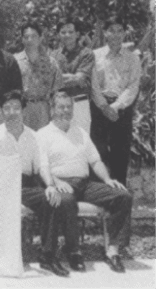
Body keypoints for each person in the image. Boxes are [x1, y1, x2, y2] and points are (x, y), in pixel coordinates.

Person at [0, 90, 76, 276]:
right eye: (7, 108)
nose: (12, 112)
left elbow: (42, 165)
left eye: (16, 108)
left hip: (25, 185)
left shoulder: (34, 136)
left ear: (23, 110)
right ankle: (0, 255)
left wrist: (50, 185)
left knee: (51, 200)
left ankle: (48, 256)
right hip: (2, 184)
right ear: (1, 111)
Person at [37, 91, 133, 273]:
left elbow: (95, 161)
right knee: (66, 201)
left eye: (69, 107)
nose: (65, 111)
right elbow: (43, 166)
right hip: (62, 183)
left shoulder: (80, 132)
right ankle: (73, 251)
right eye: (61, 107)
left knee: (123, 196)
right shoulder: (43, 134)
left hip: (85, 184)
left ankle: (112, 249)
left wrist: (107, 179)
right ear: (52, 110)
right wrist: (55, 181)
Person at [90, 17, 141, 186]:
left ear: (125, 33)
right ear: (105, 33)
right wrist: (104, 106)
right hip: (99, 108)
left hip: (122, 110)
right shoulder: (95, 56)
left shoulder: (133, 58)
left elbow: (133, 86)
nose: (116, 34)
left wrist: (116, 106)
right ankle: (99, 196)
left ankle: (120, 197)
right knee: (98, 152)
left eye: (120, 30)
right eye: (112, 30)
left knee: (120, 153)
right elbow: (93, 85)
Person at [50, 18, 96, 133]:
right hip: (60, 104)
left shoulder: (86, 53)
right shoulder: (54, 55)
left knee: (81, 142)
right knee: (61, 141)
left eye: (70, 32)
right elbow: (49, 79)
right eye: (63, 32)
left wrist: (59, 78)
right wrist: (73, 77)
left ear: (77, 34)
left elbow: (79, 78)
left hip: (80, 104)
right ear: (58, 35)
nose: (67, 35)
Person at [14, 23, 63, 130]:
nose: (30, 40)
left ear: (40, 38)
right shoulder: (14, 62)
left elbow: (57, 91)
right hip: (22, 108)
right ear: (22, 39)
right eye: (26, 37)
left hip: (44, 109)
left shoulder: (51, 62)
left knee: (43, 143)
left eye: (34, 36)